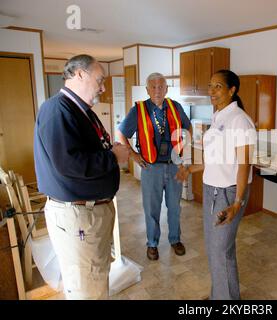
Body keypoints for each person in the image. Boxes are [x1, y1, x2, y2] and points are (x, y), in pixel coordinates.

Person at [34, 54, 130, 299]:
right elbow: (69, 163)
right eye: (100, 80)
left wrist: (111, 151)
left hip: (90, 214)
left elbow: (92, 148)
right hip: (78, 215)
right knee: (87, 288)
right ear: (79, 74)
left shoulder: (81, 110)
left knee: (95, 279)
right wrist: (114, 157)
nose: (103, 87)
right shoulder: (57, 110)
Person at [176, 70, 257, 300]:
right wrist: (191, 169)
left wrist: (237, 203)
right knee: (219, 251)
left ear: (232, 90)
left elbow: (244, 166)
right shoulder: (218, 117)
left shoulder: (240, 121)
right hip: (213, 190)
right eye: (210, 86)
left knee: (219, 252)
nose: (211, 91)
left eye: (218, 86)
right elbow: (216, 158)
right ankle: (222, 297)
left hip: (228, 193)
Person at [116, 73, 191, 261]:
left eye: (161, 87)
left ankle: (175, 240)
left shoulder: (175, 107)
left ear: (166, 89)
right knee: (152, 209)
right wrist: (133, 155)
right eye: (153, 87)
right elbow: (120, 134)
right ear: (147, 90)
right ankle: (152, 244)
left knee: (175, 207)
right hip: (151, 168)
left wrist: (184, 154)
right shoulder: (139, 110)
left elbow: (188, 128)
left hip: (174, 165)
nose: (157, 90)